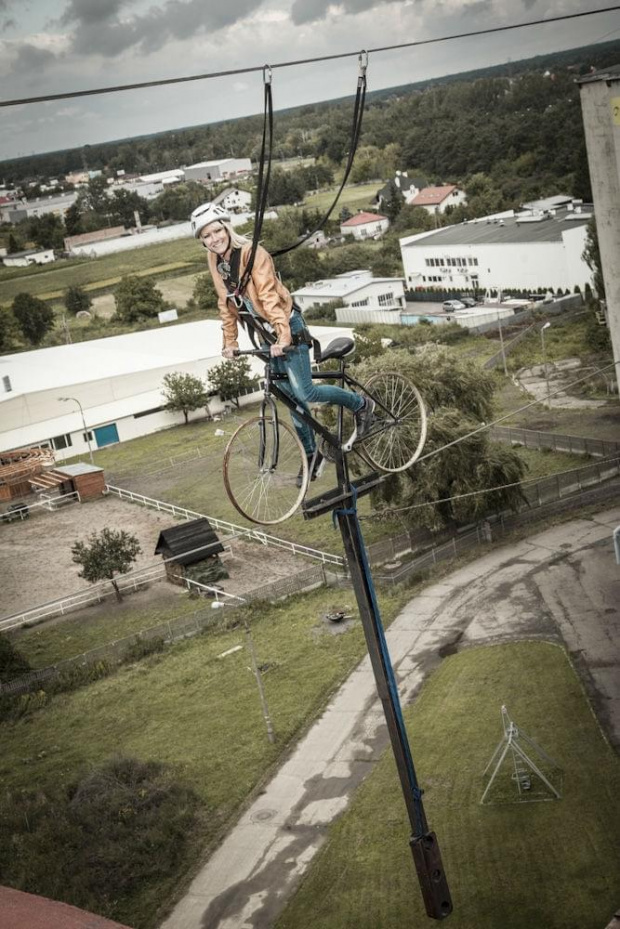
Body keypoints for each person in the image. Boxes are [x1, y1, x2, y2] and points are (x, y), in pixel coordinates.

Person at [190, 202, 375, 483]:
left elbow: (268, 297)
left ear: (227, 228)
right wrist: (230, 341)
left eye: (217, 231)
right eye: (207, 236)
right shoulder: (215, 260)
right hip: (265, 333)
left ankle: (361, 404)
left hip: (287, 324)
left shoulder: (253, 253)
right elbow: (224, 302)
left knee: (307, 393)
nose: (214, 238)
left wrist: (284, 334)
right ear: (202, 241)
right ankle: (312, 454)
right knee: (290, 399)